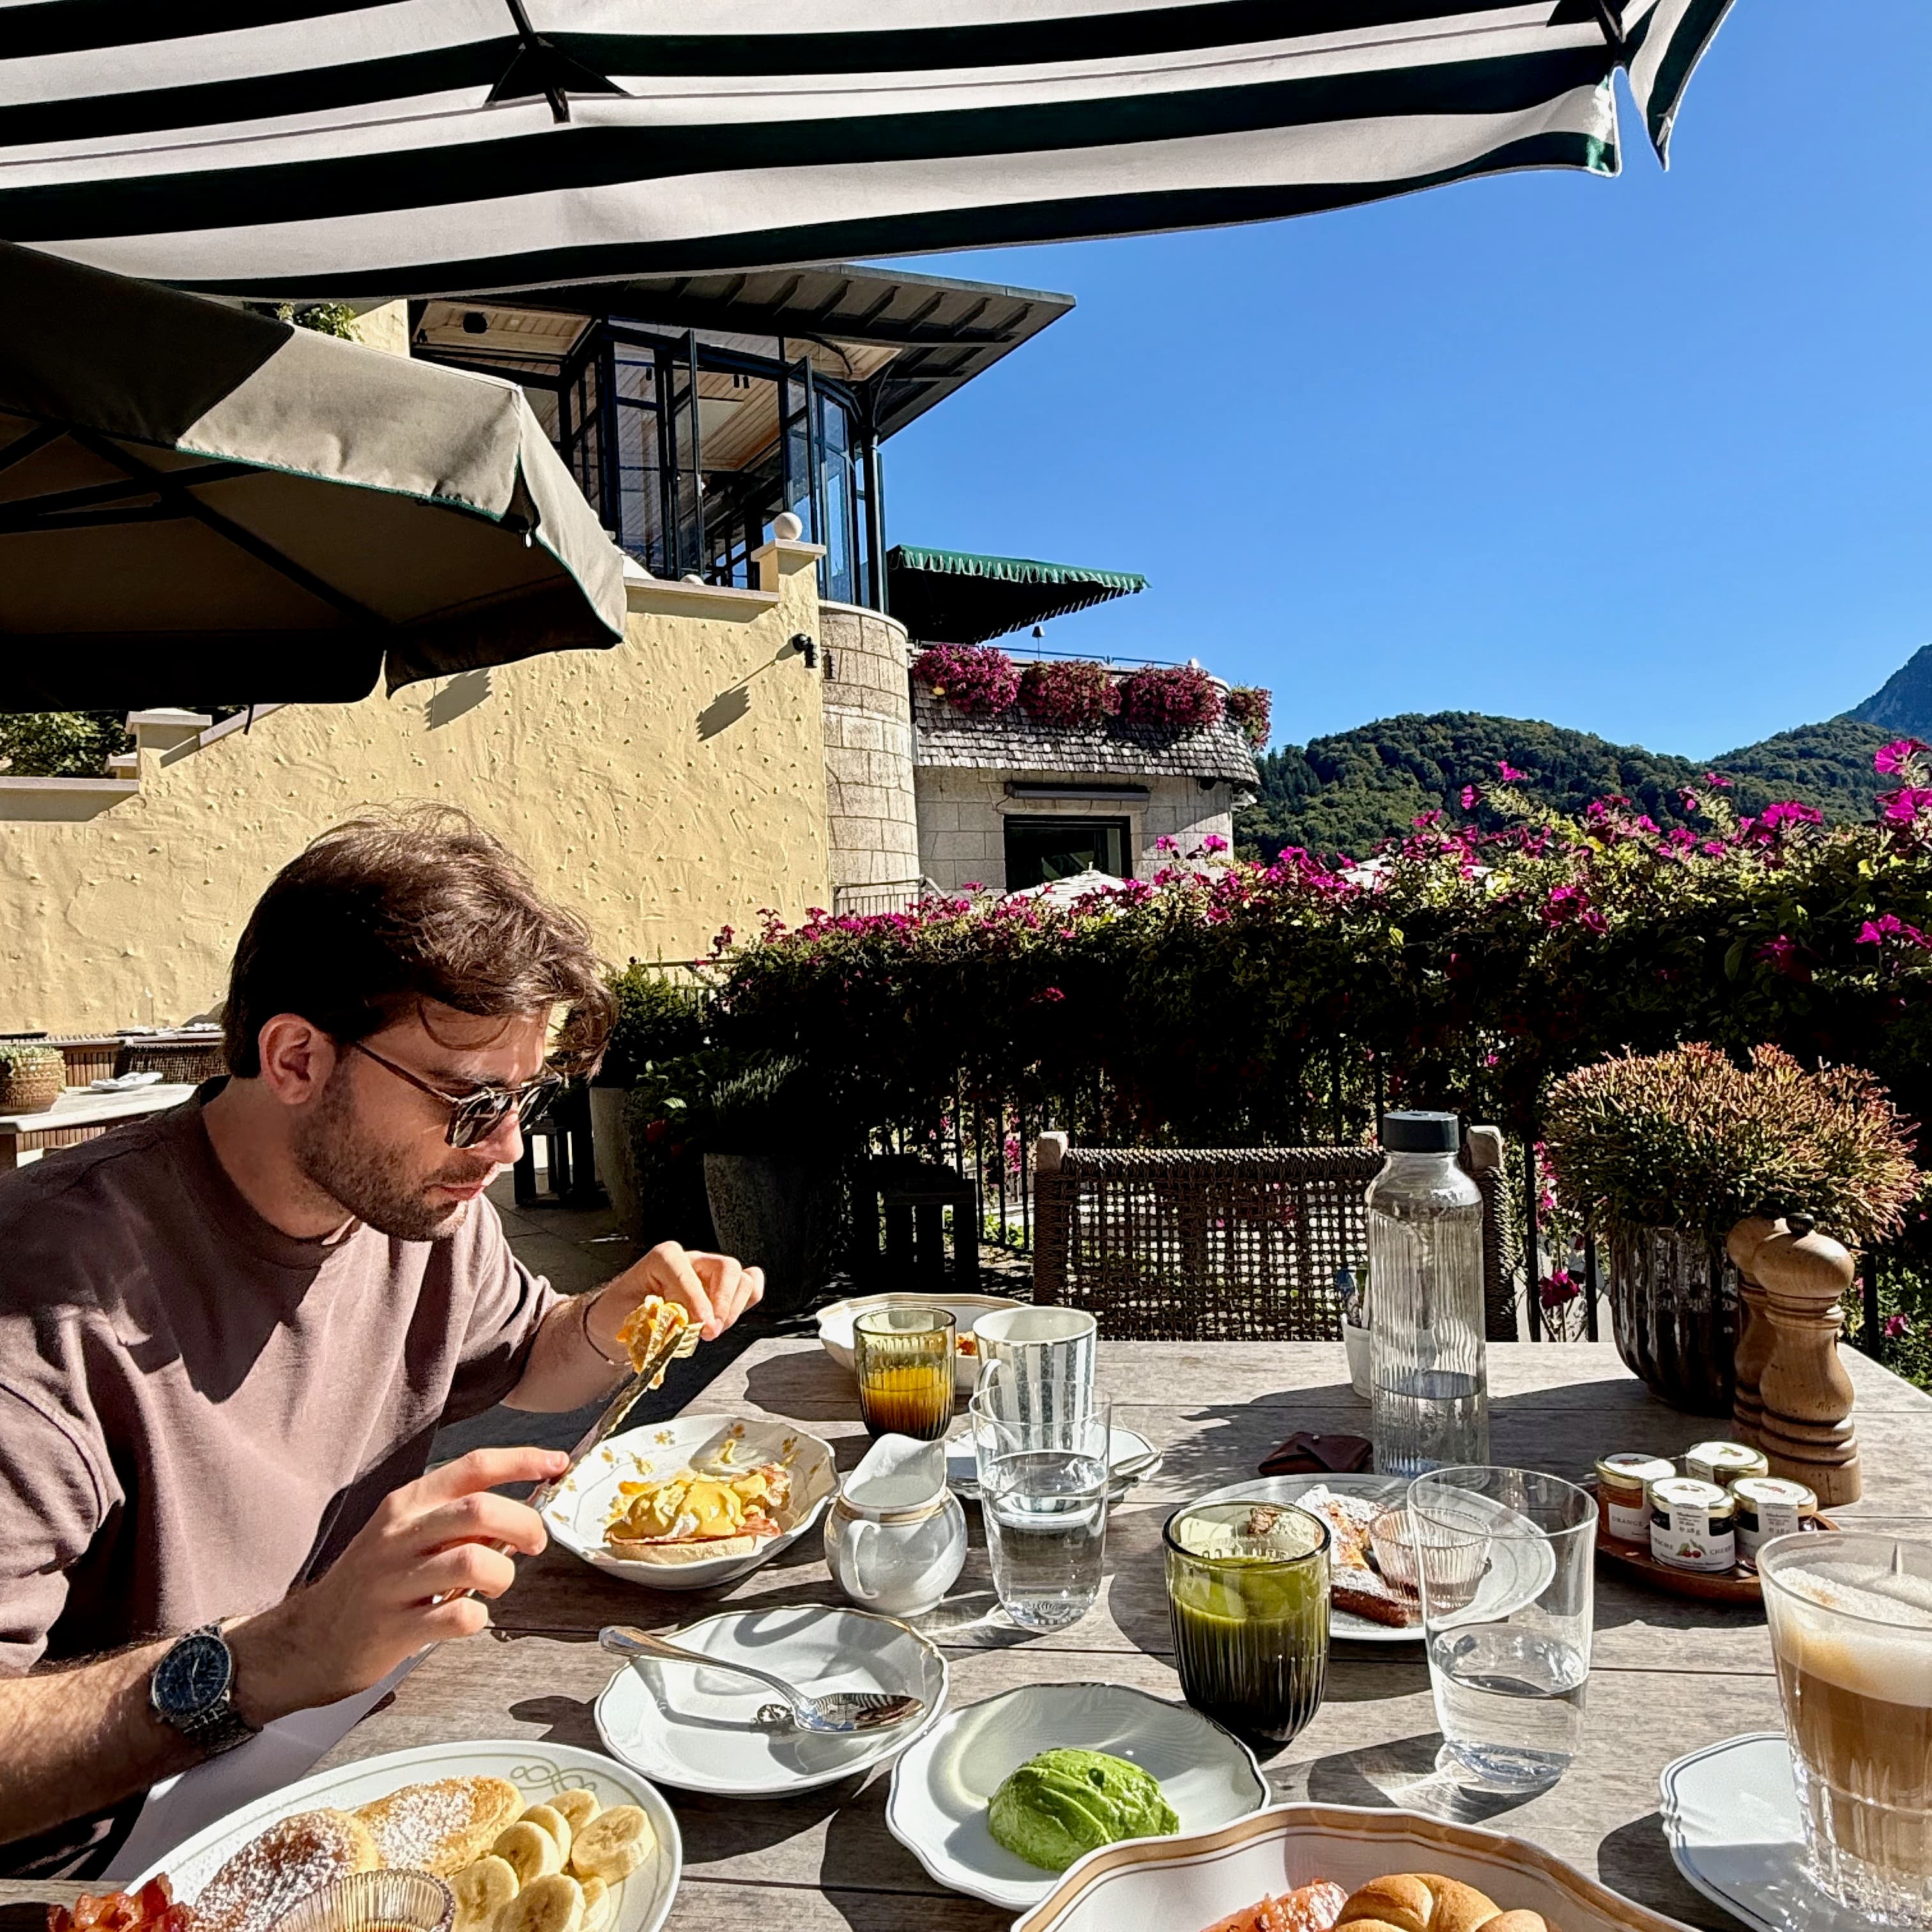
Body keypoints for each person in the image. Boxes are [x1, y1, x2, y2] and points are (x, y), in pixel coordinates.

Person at [0, 809, 763, 1872]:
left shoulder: (416, 1206)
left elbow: (522, 1358)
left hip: (357, 1737)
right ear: (298, 1056)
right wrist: (278, 1659)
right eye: (469, 1102)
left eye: (527, 1099)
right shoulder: (39, 1305)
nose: (503, 1148)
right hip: (118, 1849)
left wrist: (609, 1320)